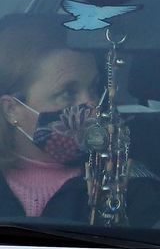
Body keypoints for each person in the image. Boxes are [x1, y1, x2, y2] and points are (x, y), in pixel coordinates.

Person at [0, 16, 118, 222]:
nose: (92, 106)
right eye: (68, 93)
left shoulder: (121, 187)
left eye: (93, 88)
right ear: (12, 110)